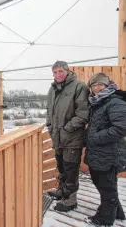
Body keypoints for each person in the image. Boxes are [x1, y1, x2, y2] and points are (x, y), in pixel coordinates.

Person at [46, 61, 90, 212]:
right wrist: (50, 127)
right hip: (57, 138)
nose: (57, 75)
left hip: (72, 138)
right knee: (61, 166)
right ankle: (63, 192)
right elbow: (49, 112)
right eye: (55, 72)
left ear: (67, 71)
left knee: (71, 168)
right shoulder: (52, 89)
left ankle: (71, 200)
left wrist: (66, 129)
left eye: (60, 71)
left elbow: (83, 114)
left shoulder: (79, 86)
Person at [84, 73, 126, 226]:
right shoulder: (98, 102)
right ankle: (118, 213)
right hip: (100, 153)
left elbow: (121, 128)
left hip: (109, 153)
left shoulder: (114, 102)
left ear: (107, 85)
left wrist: (95, 137)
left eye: (100, 84)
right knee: (107, 185)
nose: (96, 88)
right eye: (93, 85)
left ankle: (105, 219)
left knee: (106, 187)